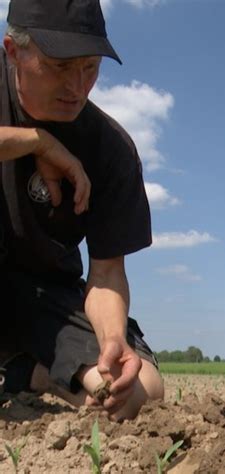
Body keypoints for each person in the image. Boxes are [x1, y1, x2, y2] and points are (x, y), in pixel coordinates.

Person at [0, 0, 164, 420]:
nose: (78, 86)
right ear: (13, 51)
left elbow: (107, 273)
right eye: (60, 66)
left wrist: (113, 339)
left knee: (136, 389)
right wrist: (37, 141)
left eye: (90, 67)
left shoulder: (110, 149)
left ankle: (29, 373)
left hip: (42, 298)